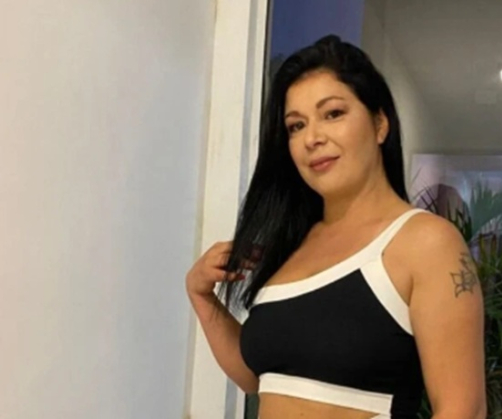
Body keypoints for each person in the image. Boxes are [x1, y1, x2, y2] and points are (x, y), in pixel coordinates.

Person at [186, 35, 486, 419]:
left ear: (380, 124)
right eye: (296, 125)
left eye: (333, 114)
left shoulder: (425, 242)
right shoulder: (293, 244)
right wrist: (201, 296)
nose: (312, 138)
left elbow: (464, 410)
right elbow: (261, 379)